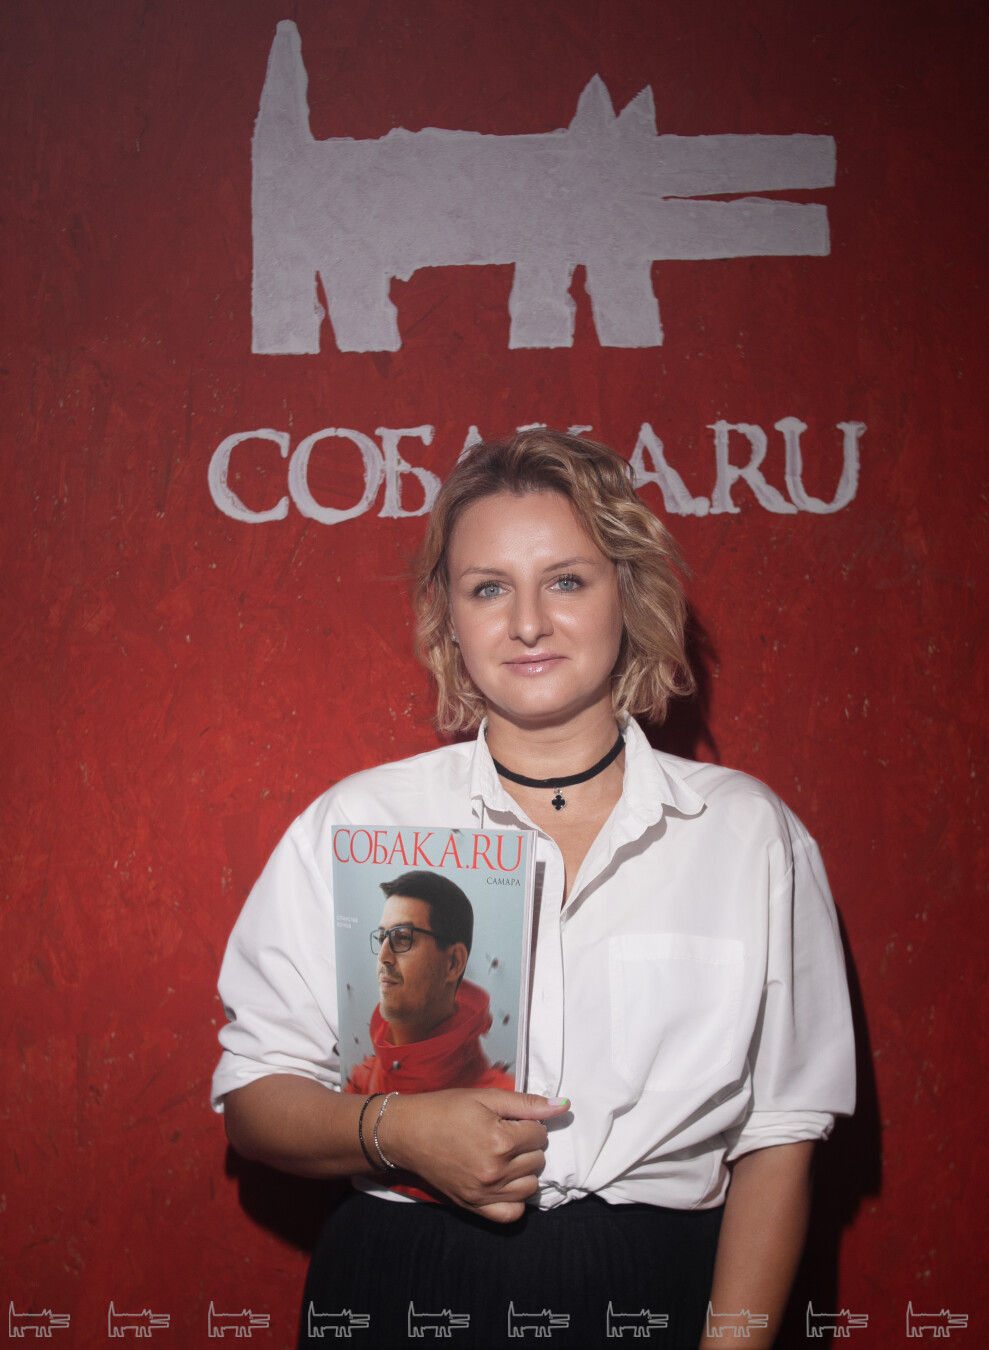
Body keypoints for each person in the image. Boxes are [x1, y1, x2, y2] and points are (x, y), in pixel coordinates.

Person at [212, 429, 856, 1349]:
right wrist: (398, 1131)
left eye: (566, 581)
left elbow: (781, 1138)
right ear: (449, 615)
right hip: (405, 1283)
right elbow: (253, 1099)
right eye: (488, 588)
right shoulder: (359, 821)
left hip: (656, 1290)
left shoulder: (750, 834)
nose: (526, 624)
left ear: (627, 592)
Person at [344, 870, 515, 1105]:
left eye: (403, 938)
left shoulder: (502, 1099)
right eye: (381, 938)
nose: (383, 957)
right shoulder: (359, 1082)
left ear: (453, 962)